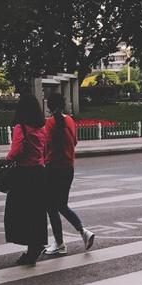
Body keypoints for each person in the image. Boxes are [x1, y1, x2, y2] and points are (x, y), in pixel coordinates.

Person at [43, 93, 94, 255]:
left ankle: (60, 243)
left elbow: (45, 146)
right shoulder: (70, 120)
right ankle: (82, 231)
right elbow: (75, 142)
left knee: (51, 206)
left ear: (48, 106)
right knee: (61, 205)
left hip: (53, 169)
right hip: (68, 168)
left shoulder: (49, 123)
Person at [3, 94, 48, 265]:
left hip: (23, 174)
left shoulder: (20, 127)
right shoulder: (41, 128)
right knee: (36, 213)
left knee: (18, 212)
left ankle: (30, 248)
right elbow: (45, 150)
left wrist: (7, 159)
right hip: (39, 172)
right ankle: (36, 245)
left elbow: (16, 149)